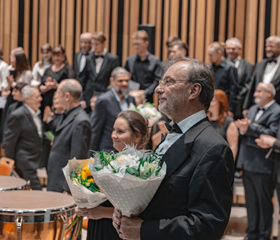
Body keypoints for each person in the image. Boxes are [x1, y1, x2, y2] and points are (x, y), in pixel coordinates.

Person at [112, 57, 234, 240]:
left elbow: (208, 226)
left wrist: (144, 230)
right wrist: (126, 211)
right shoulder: (170, 135)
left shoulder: (213, 148)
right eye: (161, 82)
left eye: (168, 82)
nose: (158, 89)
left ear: (194, 90)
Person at [77, 110, 149, 240]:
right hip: (98, 225)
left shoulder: (143, 167)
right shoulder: (110, 159)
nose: (114, 135)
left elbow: (139, 212)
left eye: (120, 132)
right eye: (114, 130)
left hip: (116, 231)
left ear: (137, 136)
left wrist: (101, 212)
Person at [235, 82, 280, 240]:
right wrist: (242, 128)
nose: (255, 94)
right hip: (248, 161)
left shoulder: (277, 111)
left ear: (269, 93)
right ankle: (252, 233)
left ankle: (263, 235)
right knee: (251, 203)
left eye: (259, 91)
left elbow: (272, 133)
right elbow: (247, 131)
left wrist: (250, 128)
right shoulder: (253, 109)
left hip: (263, 163)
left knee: (264, 203)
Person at [47, 79, 91, 193]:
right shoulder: (67, 114)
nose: (56, 97)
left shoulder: (81, 121)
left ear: (67, 96)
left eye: (58, 93)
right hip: (56, 178)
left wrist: (69, 189)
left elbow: (78, 160)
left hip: (63, 185)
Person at [2, 86, 43, 190]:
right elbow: (9, 140)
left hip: (34, 159)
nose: (40, 99)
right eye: (37, 96)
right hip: (24, 161)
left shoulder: (37, 113)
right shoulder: (18, 115)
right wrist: (10, 161)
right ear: (27, 99)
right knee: (37, 190)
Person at [90, 67, 136, 153]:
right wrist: (91, 154)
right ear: (112, 81)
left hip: (128, 152)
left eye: (127, 81)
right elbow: (95, 130)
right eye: (120, 81)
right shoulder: (103, 101)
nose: (124, 83)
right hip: (108, 151)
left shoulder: (131, 99)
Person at [243, 36, 280, 118]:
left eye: (271, 46)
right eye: (266, 46)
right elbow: (252, 86)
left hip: (277, 108)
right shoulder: (260, 64)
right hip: (257, 107)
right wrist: (246, 107)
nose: (268, 49)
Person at [82, 32, 119, 112]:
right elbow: (84, 79)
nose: (94, 47)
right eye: (92, 44)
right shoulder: (88, 58)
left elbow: (114, 80)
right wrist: (82, 98)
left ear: (104, 43)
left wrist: (106, 95)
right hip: (89, 96)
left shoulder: (113, 59)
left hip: (105, 94)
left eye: (97, 44)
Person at [124, 30, 162, 103]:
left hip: (148, 98)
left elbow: (157, 81)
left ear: (146, 43)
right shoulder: (130, 60)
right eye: (134, 44)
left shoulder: (155, 61)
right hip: (132, 96)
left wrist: (145, 93)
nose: (135, 47)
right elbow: (124, 76)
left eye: (138, 44)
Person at [208, 41, 239, 118]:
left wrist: (231, 110)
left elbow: (234, 90)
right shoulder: (209, 67)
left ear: (219, 53)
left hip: (224, 106)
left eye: (211, 55)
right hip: (211, 106)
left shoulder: (230, 67)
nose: (209, 58)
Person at [225, 37, 254, 119]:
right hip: (224, 103)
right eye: (228, 48)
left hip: (240, 104)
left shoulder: (248, 65)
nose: (230, 51)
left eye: (233, 49)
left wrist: (236, 97)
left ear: (239, 49)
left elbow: (248, 85)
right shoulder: (222, 65)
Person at [40, 45, 75, 113]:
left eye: (58, 56)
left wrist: (57, 86)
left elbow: (71, 87)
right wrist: (45, 88)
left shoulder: (68, 69)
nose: (56, 58)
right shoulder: (48, 70)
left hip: (61, 104)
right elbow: (41, 85)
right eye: (54, 56)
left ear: (63, 56)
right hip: (46, 103)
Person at [207, 89, 239, 160]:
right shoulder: (205, 119)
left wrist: (229, 166)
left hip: (220, 162)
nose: (210, 103)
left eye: (213, 101)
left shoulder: (228, 122)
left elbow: (233, 146)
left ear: (220, 103)